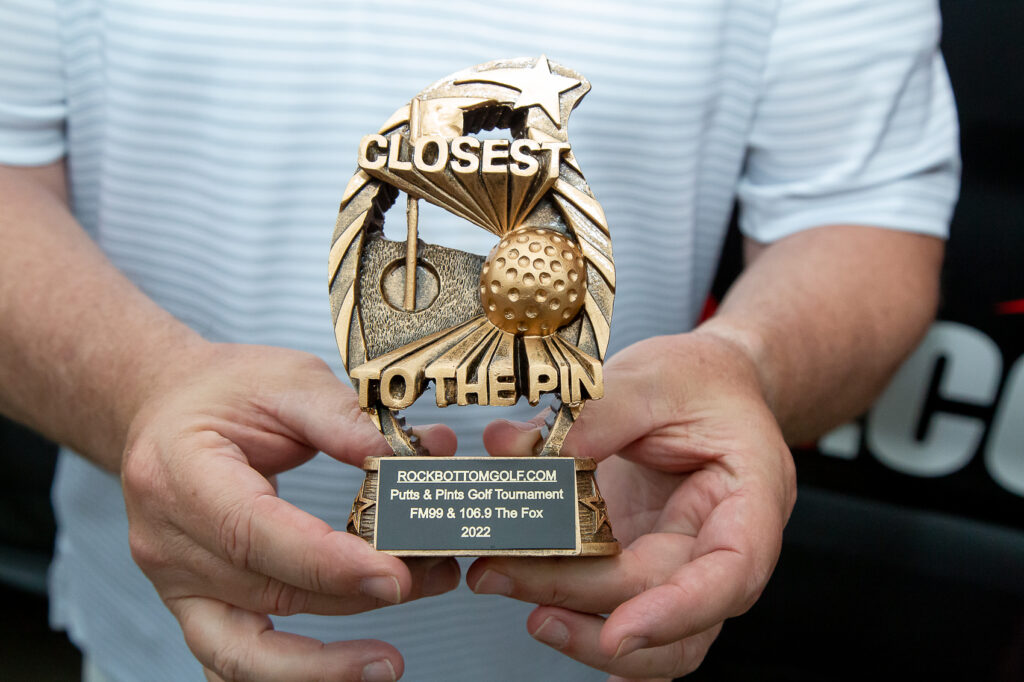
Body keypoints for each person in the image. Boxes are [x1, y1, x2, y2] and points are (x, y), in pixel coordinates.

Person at [0, 1, 958, 680]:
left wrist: (751, 363)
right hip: (156, 647)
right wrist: (141, 385)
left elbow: (866, 211)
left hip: (599, 651)